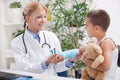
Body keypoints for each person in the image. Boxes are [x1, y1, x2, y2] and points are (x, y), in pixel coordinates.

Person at [11, 1, 80, 76]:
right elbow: (24, 69)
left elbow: (58, 67)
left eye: (45, 17)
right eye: (39, 17)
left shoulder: (52, 37)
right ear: (28, 19)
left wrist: (71, 60)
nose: (43, 20)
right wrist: (46, 62)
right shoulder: (17, 42)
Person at [78, 9, 118, 80]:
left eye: (87, 25)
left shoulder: (107, 42)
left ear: (97, 28)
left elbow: (106, 66)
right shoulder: (96, 42)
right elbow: (81, 50)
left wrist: (88, 63)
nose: (85, 28)